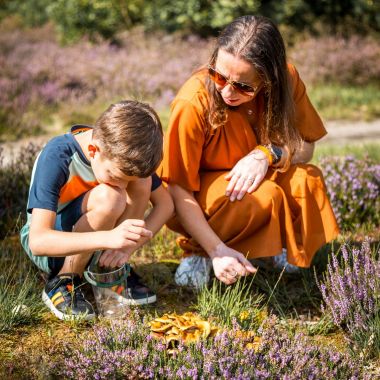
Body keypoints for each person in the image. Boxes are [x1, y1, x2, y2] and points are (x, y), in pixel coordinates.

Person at [159, 15, 339, 288]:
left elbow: (307, 146)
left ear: (269, 79)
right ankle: (199, 251)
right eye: (218, 76)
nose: (227, 92)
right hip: (196, 194)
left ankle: (278, 243)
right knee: (263, 197)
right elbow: (176, 188)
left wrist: (267, 154)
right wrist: (214, 249)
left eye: (243, 86)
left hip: (256, 175)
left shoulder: (287, 80)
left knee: (307, 179)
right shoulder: (192, 101)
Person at [20, 100, 174, 320]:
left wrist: (125, 250)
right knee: (111, 197)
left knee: (141, 182)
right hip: (54, 247)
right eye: (116, 177)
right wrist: (108, 238)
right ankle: (64, 280)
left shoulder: (123, 153)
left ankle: (109, 269)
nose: (123, 186)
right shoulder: (57, 157)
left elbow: (166, 205)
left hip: (101, 242)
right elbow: (38, 241)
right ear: (93, 150)